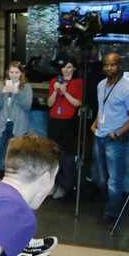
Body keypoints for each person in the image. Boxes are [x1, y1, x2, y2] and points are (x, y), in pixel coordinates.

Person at [92, 52, 129, 224]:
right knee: (99, 177)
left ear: (119, 65)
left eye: (112, 64)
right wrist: (95, 122)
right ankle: (109, 203)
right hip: (99, 135)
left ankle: (111, 212)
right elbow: (103, 107)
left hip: (116, 140)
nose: (108, 68)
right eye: (106, 64)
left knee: (114, 180)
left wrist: (118, 133)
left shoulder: (128, 89)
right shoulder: (100, 85)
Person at [0, 61, 33, 182]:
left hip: (18, 126)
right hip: (1, 125)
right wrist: (2, 94)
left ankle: (11, 183)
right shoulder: (2, 85)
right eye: (11, 72)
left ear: (21, 73)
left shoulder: (26, 87)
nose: (13, 75)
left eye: (17, 72)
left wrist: (16, 93)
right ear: (8, 72)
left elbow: (27, 106)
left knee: (14, 158)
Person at [46, 58, 83, 199]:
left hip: (69, 123)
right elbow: (50, 104)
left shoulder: (78, 82)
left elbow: (77, 103)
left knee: (67, 157)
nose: (66, 70)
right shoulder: (54, 81)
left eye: (69, 67)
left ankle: (64, 186)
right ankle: (53, 185)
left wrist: (65, 92)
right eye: (63, 68)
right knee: (53, 156)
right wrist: (56, 90)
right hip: (54, 121)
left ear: (74, 69)